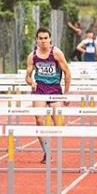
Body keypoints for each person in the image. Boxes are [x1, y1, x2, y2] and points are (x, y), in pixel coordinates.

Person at [25, 27, 71, 163]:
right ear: (36, 40)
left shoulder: (56, 53)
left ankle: (63, 116)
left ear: (50, 39)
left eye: (46, 38)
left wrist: (66, 94)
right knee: (39, 120)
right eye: (40, 38)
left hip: (55, 90)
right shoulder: (32, 56)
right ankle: (46, 151)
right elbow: (27, 76)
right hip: (39, 90)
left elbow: (67, 73)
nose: (43, 41)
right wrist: (31, 82)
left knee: (59, 125)